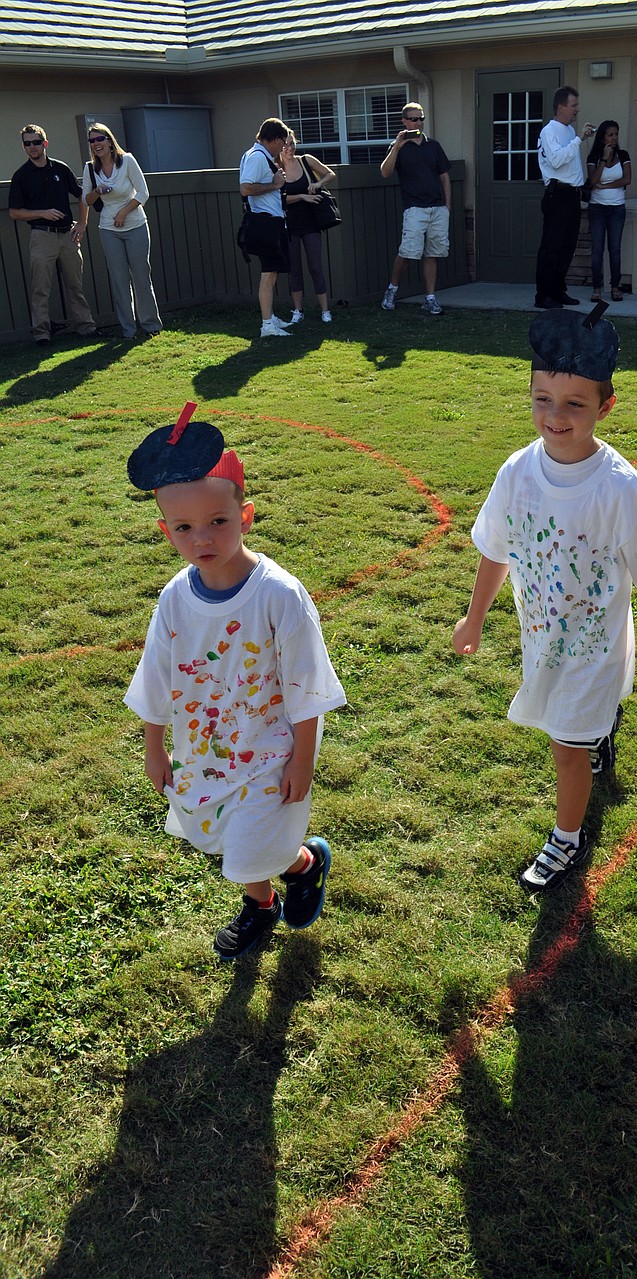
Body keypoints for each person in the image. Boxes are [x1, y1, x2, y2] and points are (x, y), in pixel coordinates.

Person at [452, 307, 637, 892]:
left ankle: (566, 839)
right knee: (573, 731)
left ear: (605, 407)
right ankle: (600, 730)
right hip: (542, 635)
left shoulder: (618, 487)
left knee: (563, 748)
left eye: (574, 404)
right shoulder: (517, 472)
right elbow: (496, 550)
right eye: (542, 400)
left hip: (595, 647)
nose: (555, 417)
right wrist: (474, 616)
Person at [124, 403, 346, 959]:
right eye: (184, 528)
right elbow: (154, 678)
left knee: (249, 847)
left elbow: (305, 686)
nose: (203, 538)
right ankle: (290, 875)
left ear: (244, 516)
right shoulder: (175, 598)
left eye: (217, 522)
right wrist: (156, 752)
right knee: (228, 844)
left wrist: (302, 760)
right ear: (165, 530)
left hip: (271, 751)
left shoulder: (279, 595)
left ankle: (276, 889)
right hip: (205, 752)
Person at [8, 123, 100, 347]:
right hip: (42, 236)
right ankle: (41, 334)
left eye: (36, 143)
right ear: (24, 147)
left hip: (68, 235)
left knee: (75, 285)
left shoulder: (60, 169)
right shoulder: (21, 176)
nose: (32, 147)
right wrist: (42, 213)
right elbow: (14, 212)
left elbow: (82, 196)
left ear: (45, 144)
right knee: (41, 288)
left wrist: (83, 224)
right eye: (27, 144)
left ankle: (86, 328)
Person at [82, 123, 162, 340]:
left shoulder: (126, 160)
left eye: (100, 139)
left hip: (135, 225)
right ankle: (128, 329)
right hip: (108, 230)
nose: (96, 144)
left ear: (109, 141)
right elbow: (86, 200)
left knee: (141, 276)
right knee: (119, 280)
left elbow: (143, 193)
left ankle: (151, 325)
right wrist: (97, 191)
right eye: (92, 141)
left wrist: (123, 213)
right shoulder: (90, 168)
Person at [379, 102, 451, 316]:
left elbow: (444, 176)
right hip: (414, 208)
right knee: (408, 252)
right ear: (404, 121)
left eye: (421, 118)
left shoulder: (433, 146)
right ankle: (392, 290)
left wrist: (447, 206)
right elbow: (385, 172)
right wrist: (397, 147)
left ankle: (430, 298)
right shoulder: (398, 146)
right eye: (414, 119)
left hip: (437, 208)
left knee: (432, 253)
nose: (418, 122)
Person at [534, 86, 595, 310]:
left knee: (567, 246)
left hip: (571, 195)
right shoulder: (549, 131)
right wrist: (579, 139)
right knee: (552, 246)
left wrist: (579, 138)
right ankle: (544, 295)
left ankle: (558, 291)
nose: (577, 110)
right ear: (561, 107)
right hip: (556, 194)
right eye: (574, 105)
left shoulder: (569, 131)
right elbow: (557, 161)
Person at [239, 118, 292, 338]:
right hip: (265, 223)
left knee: (272, 273)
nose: (284, 147)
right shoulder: (257, 157)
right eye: (283, 142)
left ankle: (270, 317)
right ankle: (267, 325)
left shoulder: (258, 155)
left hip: (270, 222)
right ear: (276, 138)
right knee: (268, 275)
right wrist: (275, 185)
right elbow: (245, 188)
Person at [280, 130, 336, 324]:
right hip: (289, 224)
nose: (289, 148)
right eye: (285, 144)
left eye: (292, 144)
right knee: (294, 268)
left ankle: (325, 311)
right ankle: (298, 310)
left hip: (311, 222)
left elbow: (330, 174)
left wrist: (318, 183)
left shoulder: (305, 160)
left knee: (315, 266)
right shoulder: (276, 167)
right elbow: (279, 198)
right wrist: (303, 196)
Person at [586, 120, 631, 303]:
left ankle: (615, 287)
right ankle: (597, 288)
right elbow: (592, 179)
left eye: (616, 134)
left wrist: (605, 186)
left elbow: (627, 179)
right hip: (597, 208)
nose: (614, 138)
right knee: (597, 250)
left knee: (615, 249)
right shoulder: (594, 156)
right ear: (602, 136)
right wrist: (604, 159)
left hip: (617, 208)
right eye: (610, 135)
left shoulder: (623, 154)